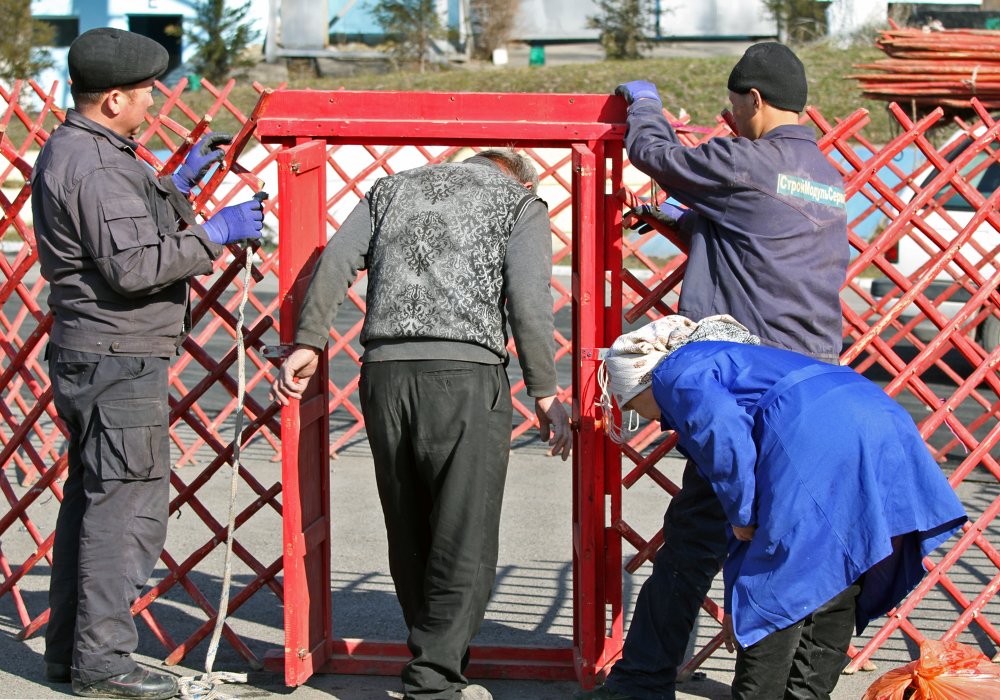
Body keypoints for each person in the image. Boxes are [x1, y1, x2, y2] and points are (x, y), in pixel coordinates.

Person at [579, 42, 850, 700]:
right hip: (814, 386)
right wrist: (677, 220)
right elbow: (752, 236)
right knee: (798, 541)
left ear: (754, 100)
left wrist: (644, 106)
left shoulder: (747, 161)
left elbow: (659, 156)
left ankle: (641, 681)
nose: (727, 117)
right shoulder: (823, 176)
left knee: (698, 538)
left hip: (746, 386)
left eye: (732, 106)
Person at [272, 149, 572, 700]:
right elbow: (531, 304)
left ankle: (436, 658)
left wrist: (310, 341)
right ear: (518, 175)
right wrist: (546, 392)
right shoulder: (519, 202)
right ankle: (434, 680)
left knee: (407, 521)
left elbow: (335, 258)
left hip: (384, 373)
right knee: (465, 532)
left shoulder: (389, 189)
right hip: (465, 376)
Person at [33, 27, 265, 700]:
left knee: (91, 506)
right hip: (118, 358)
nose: (151, 103)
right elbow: (132, 265)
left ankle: (70, 656)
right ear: (111, 100)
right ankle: (103, 665)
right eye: (142, 93)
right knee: (126, 513)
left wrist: (174, 186)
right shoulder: (100, 164)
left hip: (90, 352)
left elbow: (118, 229)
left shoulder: (80, 149)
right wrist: (214, 232)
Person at [598, 315, 966, 699]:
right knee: (842, 567)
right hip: (877, 416)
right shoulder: (726, 354)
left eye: (636, 408)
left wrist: (743, 512)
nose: (653, 423)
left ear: (639, 382)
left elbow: (721, 427)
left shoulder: (672, 372)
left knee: (772, 583)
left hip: (813, 433)